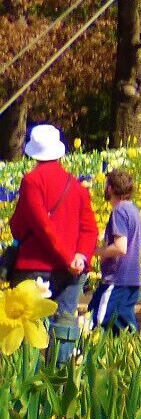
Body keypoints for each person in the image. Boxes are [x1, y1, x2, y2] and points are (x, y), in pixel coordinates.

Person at [7, 124, 96, 363]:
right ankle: (59, 383)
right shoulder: (76, 186)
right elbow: (89, 229)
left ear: (33, 152)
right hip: (72, 270)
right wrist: (79, 257)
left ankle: (30, 388)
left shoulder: (31, 181)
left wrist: (66, 259)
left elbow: (38, 227)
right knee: (64, 324)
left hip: (35, 265)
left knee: (32, 328)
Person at [89, 167, 141, 333]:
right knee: (124, 328)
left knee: (97, 324)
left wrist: (93, 251)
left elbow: (121, 247)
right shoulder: (134, 211)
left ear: (110, 188)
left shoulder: (119, 211)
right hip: (132, 279)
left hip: (117, 280)